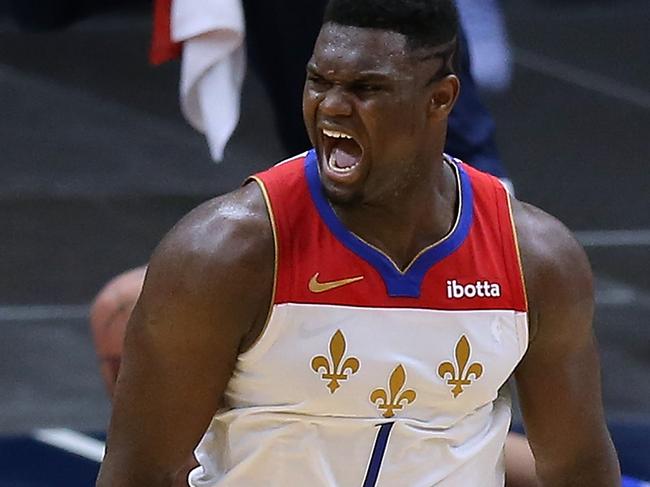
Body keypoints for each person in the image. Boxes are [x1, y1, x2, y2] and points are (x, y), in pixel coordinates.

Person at [96, 0, 621, 485]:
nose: (331, 108)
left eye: (365, 89)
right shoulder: (224, 253)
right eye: (319, 81)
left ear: (441, 99)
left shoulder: (535, 257)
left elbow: (577, 467)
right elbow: (141, 472)